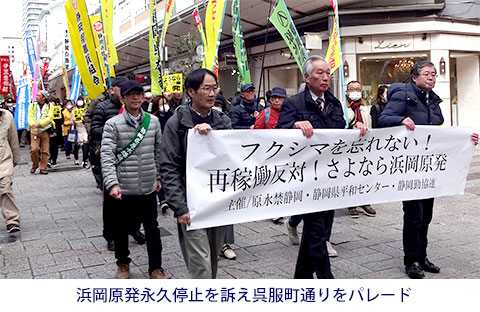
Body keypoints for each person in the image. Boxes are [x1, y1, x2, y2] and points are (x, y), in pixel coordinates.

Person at [378, 60, 479, 279]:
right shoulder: (402, 96)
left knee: (426, 215)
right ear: (414, 77)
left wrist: (466, 139)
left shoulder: (433, 100)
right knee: (414, 215)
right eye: (426, 74)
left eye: (434, 74)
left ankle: (422, 256)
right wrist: (401, 119)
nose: (431, 77)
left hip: (429, 166)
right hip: (410, 167)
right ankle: (411, 260)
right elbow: (382, 120)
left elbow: (439, 131)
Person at [276, 55, 369, 279]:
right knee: (317, 232)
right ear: (306, 77)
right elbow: (278, 134)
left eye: (328, 73)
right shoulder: (294, 103)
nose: (325, 77)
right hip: (305, 178)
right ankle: (328, 280)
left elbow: (339, 135)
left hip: (329, 176)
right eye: (320, 73)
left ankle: (302, 279)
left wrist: (355, 128)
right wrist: (294, 124)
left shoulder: (335, 103)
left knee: (316, 230)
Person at [160, 68, 232, 278]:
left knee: (212, 260)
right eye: (206, 89)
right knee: (200, 263)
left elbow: (232, 156)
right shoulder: (176, 123)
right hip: (191, 204)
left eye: (214, 88)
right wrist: (180, 206)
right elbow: (168, 166)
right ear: (190, 92)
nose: (212, 94)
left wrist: (213, 136)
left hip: (217, 201)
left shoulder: (223, 121)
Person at [101, 80, 167, 279]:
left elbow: (158, 151)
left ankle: (156, 267)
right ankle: (123, 265)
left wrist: (158, 177)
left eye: (139, 94)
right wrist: (112, 183)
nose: (137, 98)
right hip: (123, 189)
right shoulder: (112, 124)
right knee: (121, 229)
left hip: (147, 187)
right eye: (131, 94)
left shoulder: (153, 122)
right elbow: (107, 155)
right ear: (123, 98)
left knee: (152, 229)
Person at [90, 76, 145, 251]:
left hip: (135, 160)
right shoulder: (103, 107)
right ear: (113, 90)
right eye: (122, 89)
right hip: (113, 160)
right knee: (112, 203)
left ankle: (134, 229)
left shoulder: (136, 108)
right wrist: (113, 129)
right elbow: (94, 130)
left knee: (136, 201)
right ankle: (111, 235)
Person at [345, 80, 376, 218]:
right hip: (349, 147)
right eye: (352, 89)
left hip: (365, 146)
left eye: (358, 89)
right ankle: (352, 204)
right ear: (347, 92)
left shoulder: (365, 107)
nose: (355, 92)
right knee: (352, 175)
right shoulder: (343, 108)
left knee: (365, 174)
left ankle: (365, 202)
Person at [0, 107, 21, 234]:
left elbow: (13, 139)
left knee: (5, 188)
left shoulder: (7, 116)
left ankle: (12, 220)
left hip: (4, 160)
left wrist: (15, 157)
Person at [28, 90, 54, 174]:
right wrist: (34, 126)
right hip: (34, 131)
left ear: (44, 97)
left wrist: (39, 124)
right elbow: (30, 117)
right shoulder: (32, 105)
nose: (36, 97)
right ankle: (35, 164)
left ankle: (43, 167)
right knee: (34, 149)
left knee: (45, 150)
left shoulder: (50, 106)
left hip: (45, 130)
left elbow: (49, 118)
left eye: (39, 95)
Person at [48, 98, 63, 168]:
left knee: (55, 147)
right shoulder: (46, 111)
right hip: (48, 131)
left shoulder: (58, 111)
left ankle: (54, 159)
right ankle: (48, 159)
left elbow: (61, 121)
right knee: (48, 146)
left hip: (57, 131)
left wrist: (56, 120)